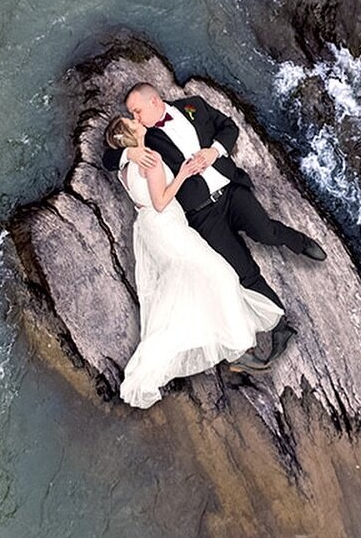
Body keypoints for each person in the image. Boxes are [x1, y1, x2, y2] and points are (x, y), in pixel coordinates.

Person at [102, 81, 326, 365]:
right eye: (132, 116)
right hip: (201, 215)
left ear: (155, 102)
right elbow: (109, 156)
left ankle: (301, 242)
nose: (135, 118)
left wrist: (215, 151)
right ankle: (280, 325)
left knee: (265, 232)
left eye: (136, 111)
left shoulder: (192, 105)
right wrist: (128, 153)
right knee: (243, 271)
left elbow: (229, 126)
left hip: (230, 190)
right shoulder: (145, 140)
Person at [106, 115, 283, 407]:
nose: (137, 121)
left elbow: (143, 199)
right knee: (220, 275)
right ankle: (237, 351)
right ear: (129, 134)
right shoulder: (148, 158)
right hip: (167, 225)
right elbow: (161, 201)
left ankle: (232, 346)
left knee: (190, 283)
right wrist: (184, 174)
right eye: (132, 122)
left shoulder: (124, 167)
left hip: (151, 227)